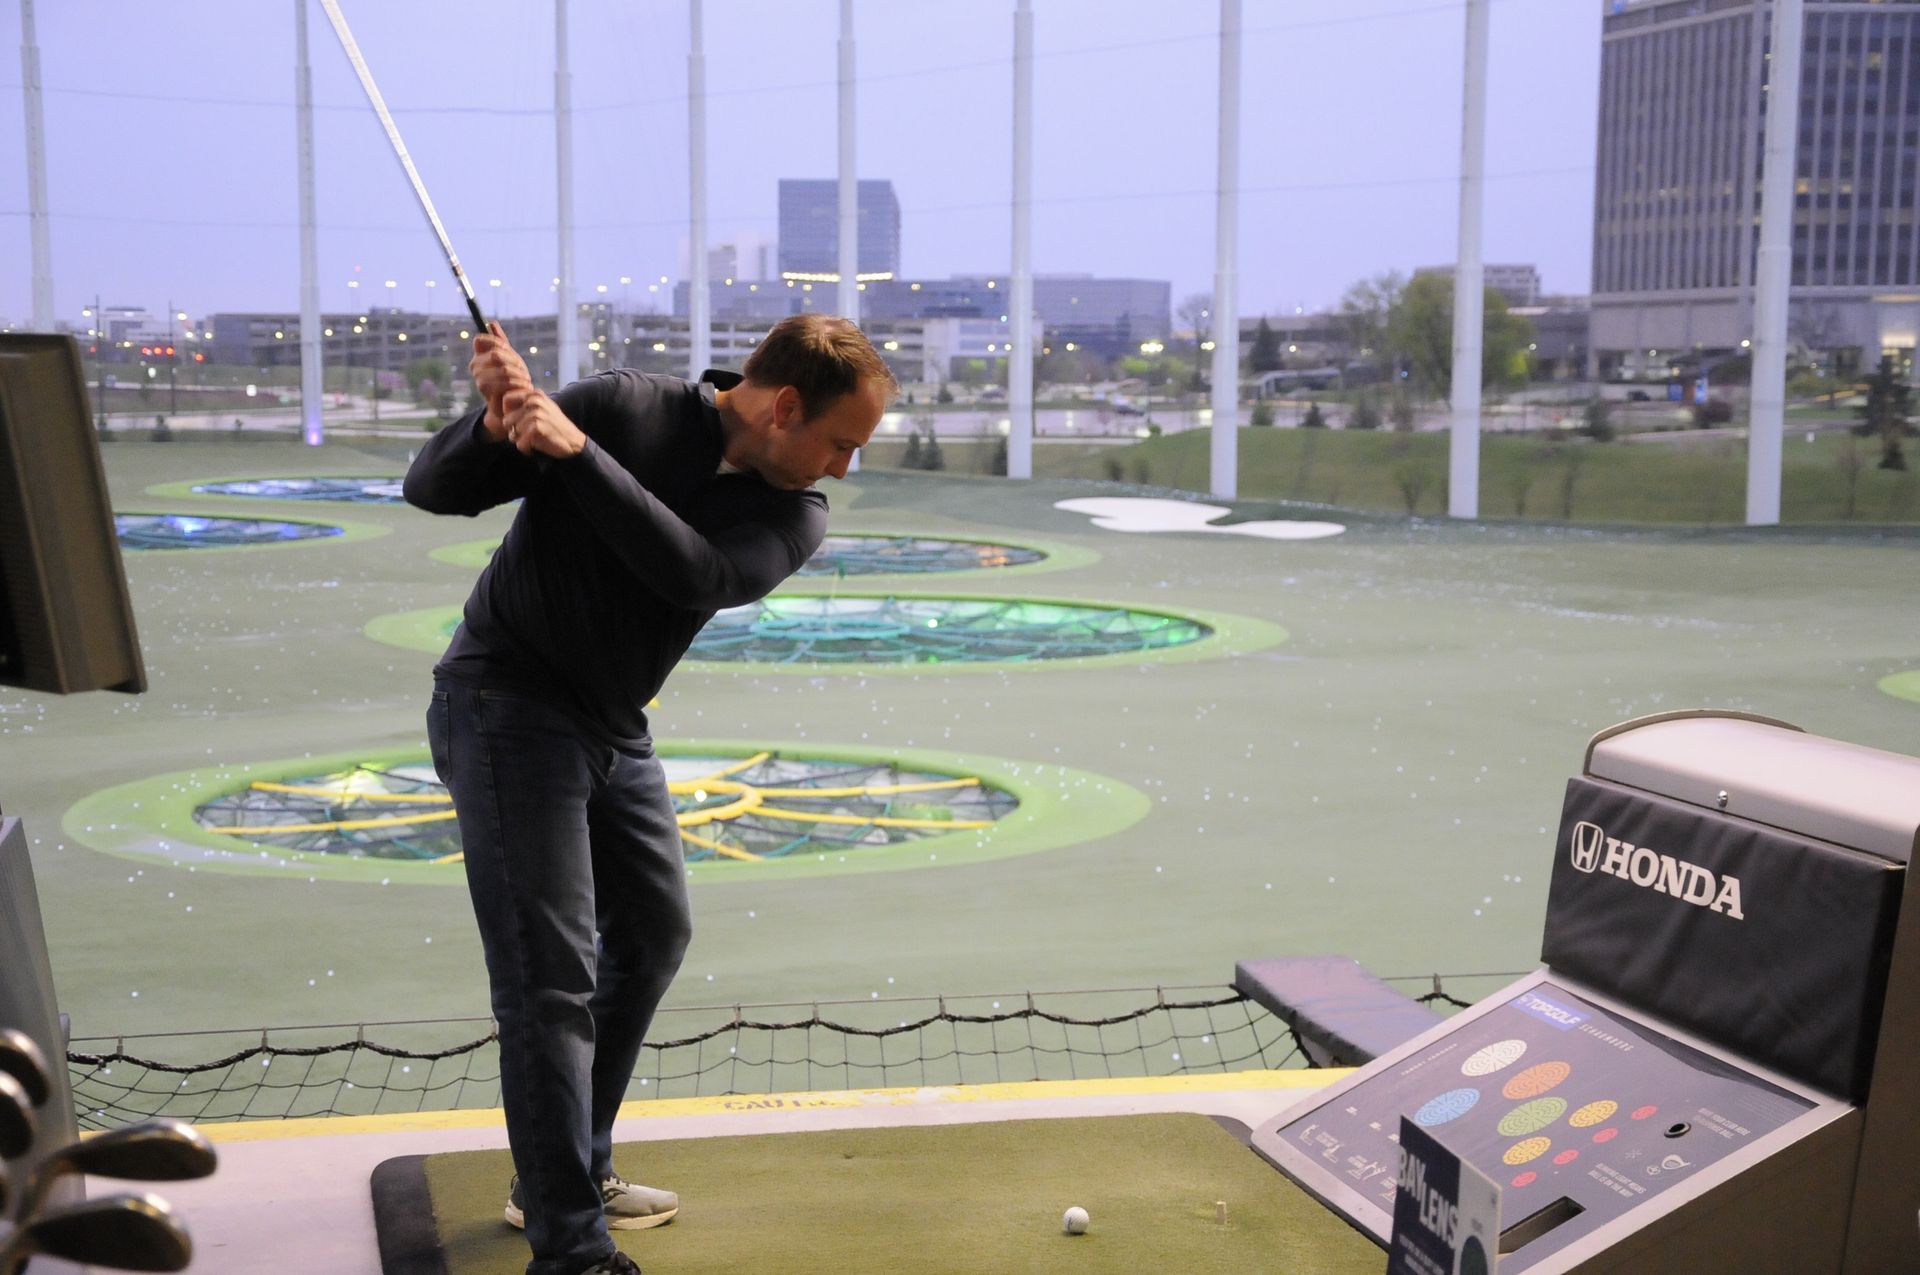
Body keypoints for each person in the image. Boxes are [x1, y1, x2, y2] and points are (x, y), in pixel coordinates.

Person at [405, 314, 894, 1275]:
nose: (843, 468)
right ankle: (574, 1250)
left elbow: (694, 573)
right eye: (841, 442)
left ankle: (565, 1171)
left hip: (612, 724)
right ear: (786, 405)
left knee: (653, 932)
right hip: (504, 698)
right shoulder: (624, 408)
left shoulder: (794, 512)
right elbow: (431, 488)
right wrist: (494, 424)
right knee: (548, 982)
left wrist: (574, 454)